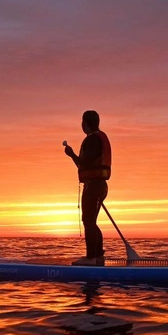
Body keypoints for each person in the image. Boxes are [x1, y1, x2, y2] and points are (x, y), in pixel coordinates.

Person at [64, 110, 112, 266]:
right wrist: (72, 156)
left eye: (82, 121)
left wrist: (71, 154)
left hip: (94, 186)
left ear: (85, 123)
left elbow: (85, 163)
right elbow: (84, 165)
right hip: (100, 186)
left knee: (88, 221)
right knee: (91, 221)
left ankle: (91, 258)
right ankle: (98, 256)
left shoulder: (92, 140)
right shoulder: (98, 138)